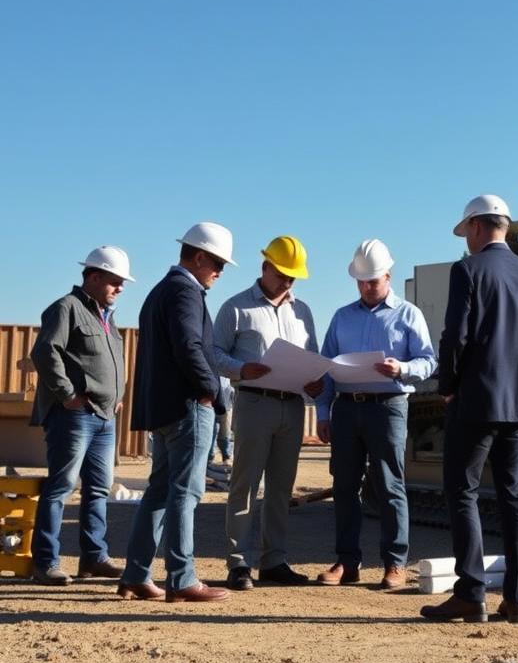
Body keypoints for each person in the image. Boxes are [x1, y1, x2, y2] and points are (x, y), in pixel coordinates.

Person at [420, 196, 518, 625]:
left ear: (477, 227)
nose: (468, 241)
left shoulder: (468, 270)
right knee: (514, 497)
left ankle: (470, 593)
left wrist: (448, 386)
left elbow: (455, 335)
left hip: (477, 400)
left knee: (463, 491)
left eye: (467, 233)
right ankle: (516, 600)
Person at [118, 222, 236, 603]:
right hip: (189, 408)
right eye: (217, 262)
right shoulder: (186, 293)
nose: (220, 271)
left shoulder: (160, 291)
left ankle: (137, 574)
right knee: (186, 493)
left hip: (165, 410)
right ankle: (182, 578)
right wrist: (213, 392)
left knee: (158, 492)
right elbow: (190, 348)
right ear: (198, 256)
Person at [315, 239, 436, 590]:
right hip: (347, 408)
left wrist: (402, 368)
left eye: (373, 281)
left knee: (389, 484)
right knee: (345, 485)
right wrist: (323, 411)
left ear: (388, 276)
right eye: (362, 282)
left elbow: (428, 361)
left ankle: (394, 563)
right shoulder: (341, 317)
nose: (367, 288)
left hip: (389, 407)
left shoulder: (409, 314)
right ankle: (347, 562)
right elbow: (326, 368)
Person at [213, 235, 322, 591]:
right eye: (282, 274)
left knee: (280, 488)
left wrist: (314, 382)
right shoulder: (235, 308)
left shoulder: (302, 311)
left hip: (291, 407)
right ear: (265, 267)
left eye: (293, 277)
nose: (288, 282)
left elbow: (313, 356)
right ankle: (239, 563)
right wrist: (242, 369)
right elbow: (213, 354)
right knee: (244, 485)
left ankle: (273, 561)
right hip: (254, 403)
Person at [28, 246, 134, 585]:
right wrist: (67, 395)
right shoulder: (66, 309)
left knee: (98, 489)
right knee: (61, 487)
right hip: (74, 416)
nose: (120, 288)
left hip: (104, 416)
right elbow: (45, 352)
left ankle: (93, 558)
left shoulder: (107, 317)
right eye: (114, 281)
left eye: (122, 282)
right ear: (93, 276)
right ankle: (46, 562)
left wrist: (115, 396)